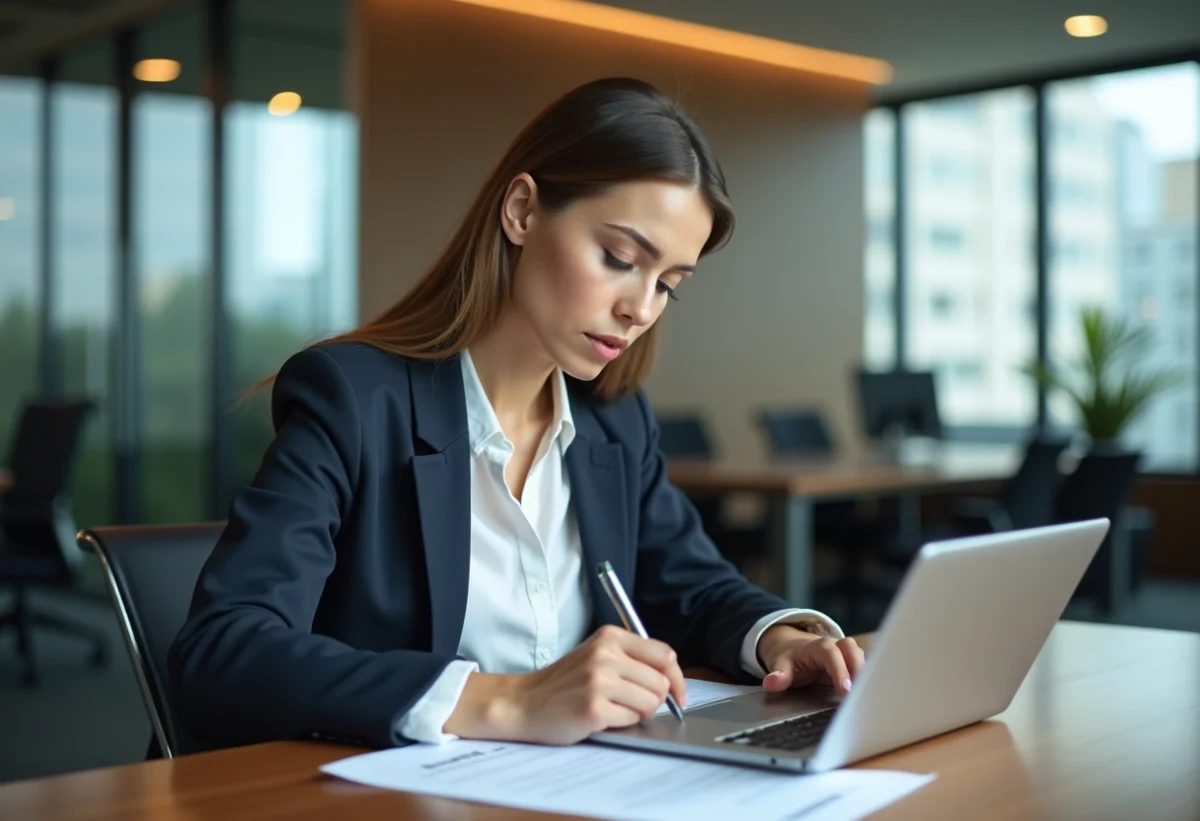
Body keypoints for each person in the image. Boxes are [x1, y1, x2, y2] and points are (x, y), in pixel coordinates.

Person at [168, 77, 864, 753]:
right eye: (620, 257)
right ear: (523, 211)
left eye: (668, 286)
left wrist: (782, 639)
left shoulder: (612, 420)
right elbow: (224, 649)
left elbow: (692, 583)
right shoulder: (352, 398)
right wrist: (507, 699)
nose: (641, 308)